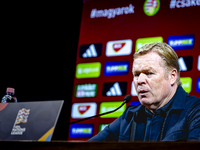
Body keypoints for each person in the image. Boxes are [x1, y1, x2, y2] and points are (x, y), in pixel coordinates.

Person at [88, 42, 200, 141]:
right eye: (136, 74)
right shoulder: (130, 115)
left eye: (149, 73)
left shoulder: (195, 111)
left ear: (172, 76)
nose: (140, 81)